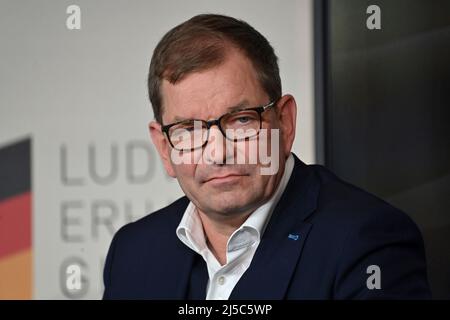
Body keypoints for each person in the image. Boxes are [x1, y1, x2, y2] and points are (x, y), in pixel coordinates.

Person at [103, 14, 431, 299]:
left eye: (242, 120)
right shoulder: (133, 253)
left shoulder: (366, 241)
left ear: (285, 122)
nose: (218, 153)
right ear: (164, 147)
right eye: (189, 129)